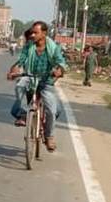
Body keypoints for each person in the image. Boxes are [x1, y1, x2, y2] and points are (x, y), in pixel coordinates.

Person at [7, 21, 67, 152]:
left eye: (36, 32)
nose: (33, 35)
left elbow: (61, 63)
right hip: (31, 76)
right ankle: (23, 114)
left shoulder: (53, 47)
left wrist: (59, 71)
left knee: (52, 110)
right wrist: (14, 71)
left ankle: (49, 136)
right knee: (20, 85)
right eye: (32, 32)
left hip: (46, 81)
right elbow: (21, 60)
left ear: (44, 33)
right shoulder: (29, 46)